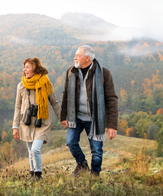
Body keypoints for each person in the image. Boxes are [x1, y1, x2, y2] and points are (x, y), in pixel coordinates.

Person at [60, 45, 118, 176]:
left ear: (87, 58)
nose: (74, 58)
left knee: (96, 150)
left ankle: (95, 174)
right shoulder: (71, 72)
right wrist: (63, 116)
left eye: (78, 55)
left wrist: (112, 125)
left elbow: (112, 99)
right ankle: (82, 164)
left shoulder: (104, 74)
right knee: (70, 142)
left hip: (95, 119)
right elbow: (66, 94)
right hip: (77, 117)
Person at [13, 57, 61, 180]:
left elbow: (54, 102)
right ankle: (32, 173)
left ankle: (38, 175)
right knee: (30, 150)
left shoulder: (46, 84)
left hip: (42, 122)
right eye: (24, 67)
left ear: (35, 68)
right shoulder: (21, 86)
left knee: (35, 149)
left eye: (28, 67)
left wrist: (62, 118)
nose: (25, 69)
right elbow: (18, 107)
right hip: (26, 122)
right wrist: (15, 126)